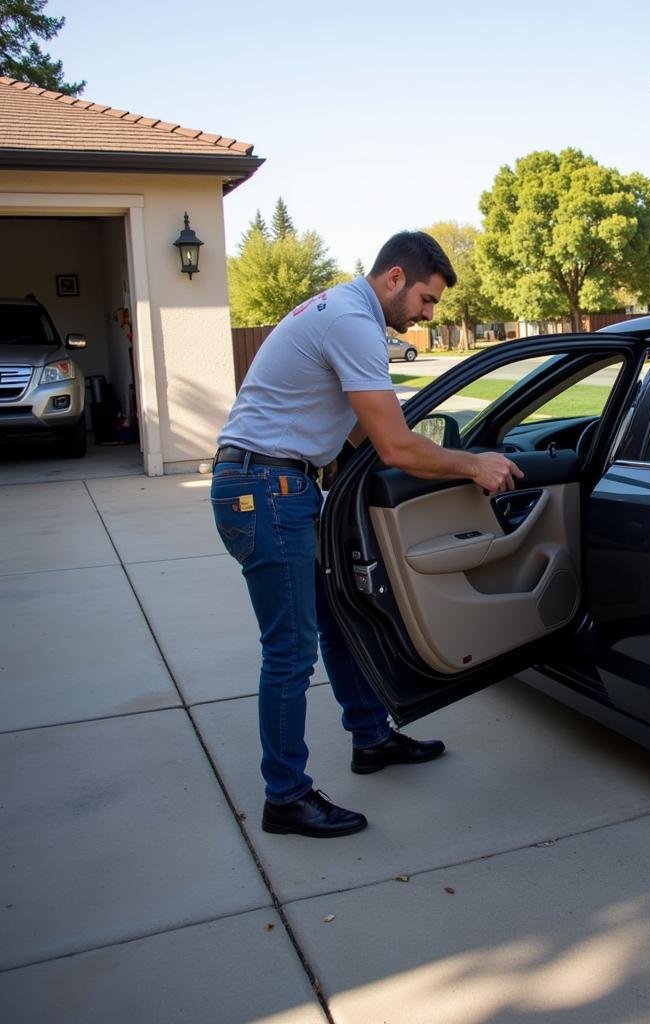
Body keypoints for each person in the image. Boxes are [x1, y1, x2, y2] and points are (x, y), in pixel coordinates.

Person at [211, 231, 523, 838]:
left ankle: (371, 737)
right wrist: (471, 465)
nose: (429, 315)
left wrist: (419, 472)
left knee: (338, 619)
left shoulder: (341, 311)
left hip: (278, 487)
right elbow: (394, 443)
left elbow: (362, 431)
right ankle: (286, 797)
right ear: (396, 278)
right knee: (290, 652)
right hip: (266, 492)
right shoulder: (353, 322)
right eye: (428, 301)